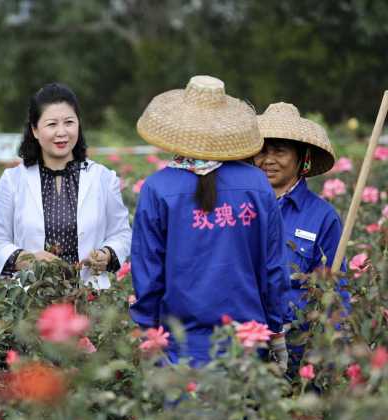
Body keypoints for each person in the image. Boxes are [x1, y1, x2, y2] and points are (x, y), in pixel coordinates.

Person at [130, 75, 289, 368]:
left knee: (186, 413)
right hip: (247, 341)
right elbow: (274, 269)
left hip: (179, 345)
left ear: (179, 130)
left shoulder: (158, 188)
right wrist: (275, 329)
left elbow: (148, 277)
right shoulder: (256, 184)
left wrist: (146, 331)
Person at [0, 83, 131, 289]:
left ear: (78, 124)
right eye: (52, 124)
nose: (62, 132)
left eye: (69, 122)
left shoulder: (103, 178)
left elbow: (122, 234)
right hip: (30, 300)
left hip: (89, 296)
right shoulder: (12, 180)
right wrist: (28, 259)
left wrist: (106, 255)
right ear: (35, 130)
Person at [254, 102, 347, 373]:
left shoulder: (322, 216)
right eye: (262, 150)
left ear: (301, 157)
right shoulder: (239, 208)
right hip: (246, 346)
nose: (268, 160)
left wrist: (331, 347)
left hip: (299, 348)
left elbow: (335, 288)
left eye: (280, 151)